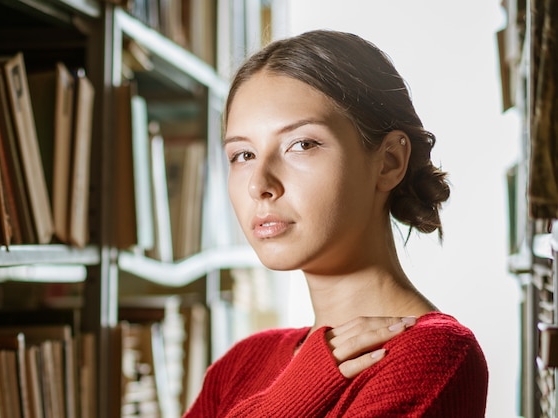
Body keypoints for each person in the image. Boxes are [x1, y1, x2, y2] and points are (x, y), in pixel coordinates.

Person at [184, 29, 488, 417]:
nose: (259, 185)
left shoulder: (434, 354)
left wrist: (289, 402)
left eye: (301, 144)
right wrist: (294, 392)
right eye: (243, 155)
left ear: (389, 161)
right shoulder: (241, 363)